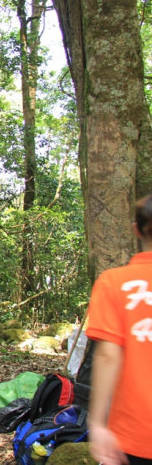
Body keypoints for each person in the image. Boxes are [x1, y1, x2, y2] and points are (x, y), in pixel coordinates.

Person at [87, 194, 152, 465]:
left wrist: (97, 422)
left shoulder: (113, 282)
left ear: (135, 228)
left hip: (134, 433)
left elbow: (108, 356)